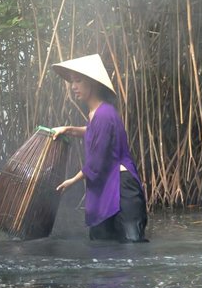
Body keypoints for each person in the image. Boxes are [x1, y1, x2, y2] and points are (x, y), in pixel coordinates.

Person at [53, 54, 149, 243]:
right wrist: (68, 129)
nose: (73, 87)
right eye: (72, 82)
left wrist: (72, 181)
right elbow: (93, 132)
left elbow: (97, 161)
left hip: (121, 187)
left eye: (78, 81)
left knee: (132, 244)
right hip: (109, 183)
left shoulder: (105, 114)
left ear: (93, 84)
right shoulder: (96, 113)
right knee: (105, 242)